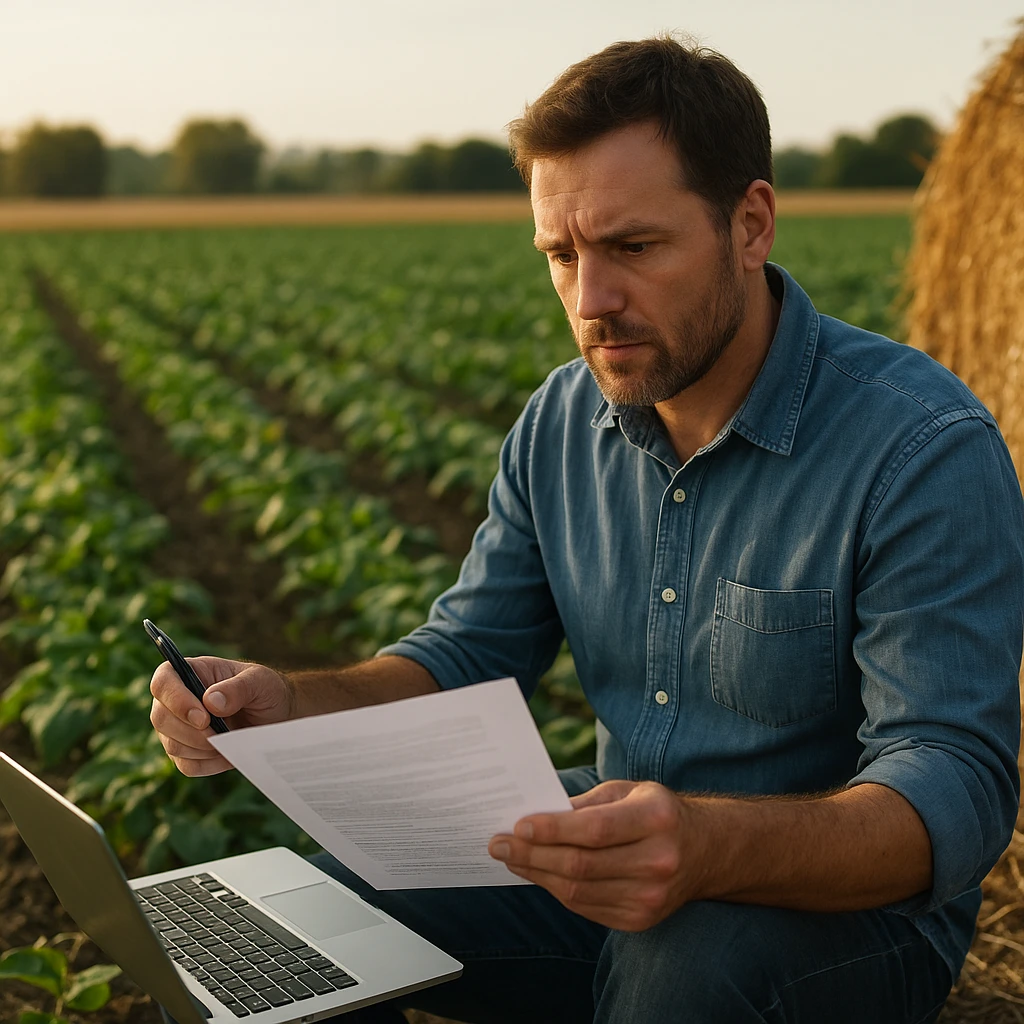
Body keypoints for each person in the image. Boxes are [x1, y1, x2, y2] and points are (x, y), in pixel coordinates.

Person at [150, 36, 1024, 1024]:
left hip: (848, 914)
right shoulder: (561, 421)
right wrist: (290, 702)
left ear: (750, 224)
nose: (590, 301)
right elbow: (468, 653)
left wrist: (706, 844)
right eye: (561, 256)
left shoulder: (918, 447)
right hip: (616, 845)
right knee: (297, 922)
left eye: (633, 248)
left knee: (682, 971)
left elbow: (951, 783)